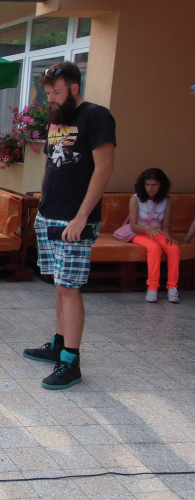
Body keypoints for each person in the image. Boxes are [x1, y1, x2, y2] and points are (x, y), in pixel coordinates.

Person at [23, 61, 116, 390]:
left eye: (57, 92)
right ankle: (59, 344)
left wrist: (81, 216)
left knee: (70, 287)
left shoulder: (96, 116)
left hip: (75, 220)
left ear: (75, 87)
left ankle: (71, 361)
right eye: (48, 93)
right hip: (49, 215)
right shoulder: (57, 121)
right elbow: (54, 167)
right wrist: (41, 208)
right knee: (59, 286)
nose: (51, 99)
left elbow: (103, 170)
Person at [127, 169, 180, 303]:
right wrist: (147, 228)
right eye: (147, 184)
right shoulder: (135, 199)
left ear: (161, 185)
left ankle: (172, 287)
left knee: (173, 248)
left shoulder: (166, 200)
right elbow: (133, 225)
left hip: (158, 232)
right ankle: (152, 288)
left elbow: (166, 225)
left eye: (154, 185)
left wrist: (168, 236)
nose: (150, 188)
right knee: (154, 248)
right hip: (139, 232)